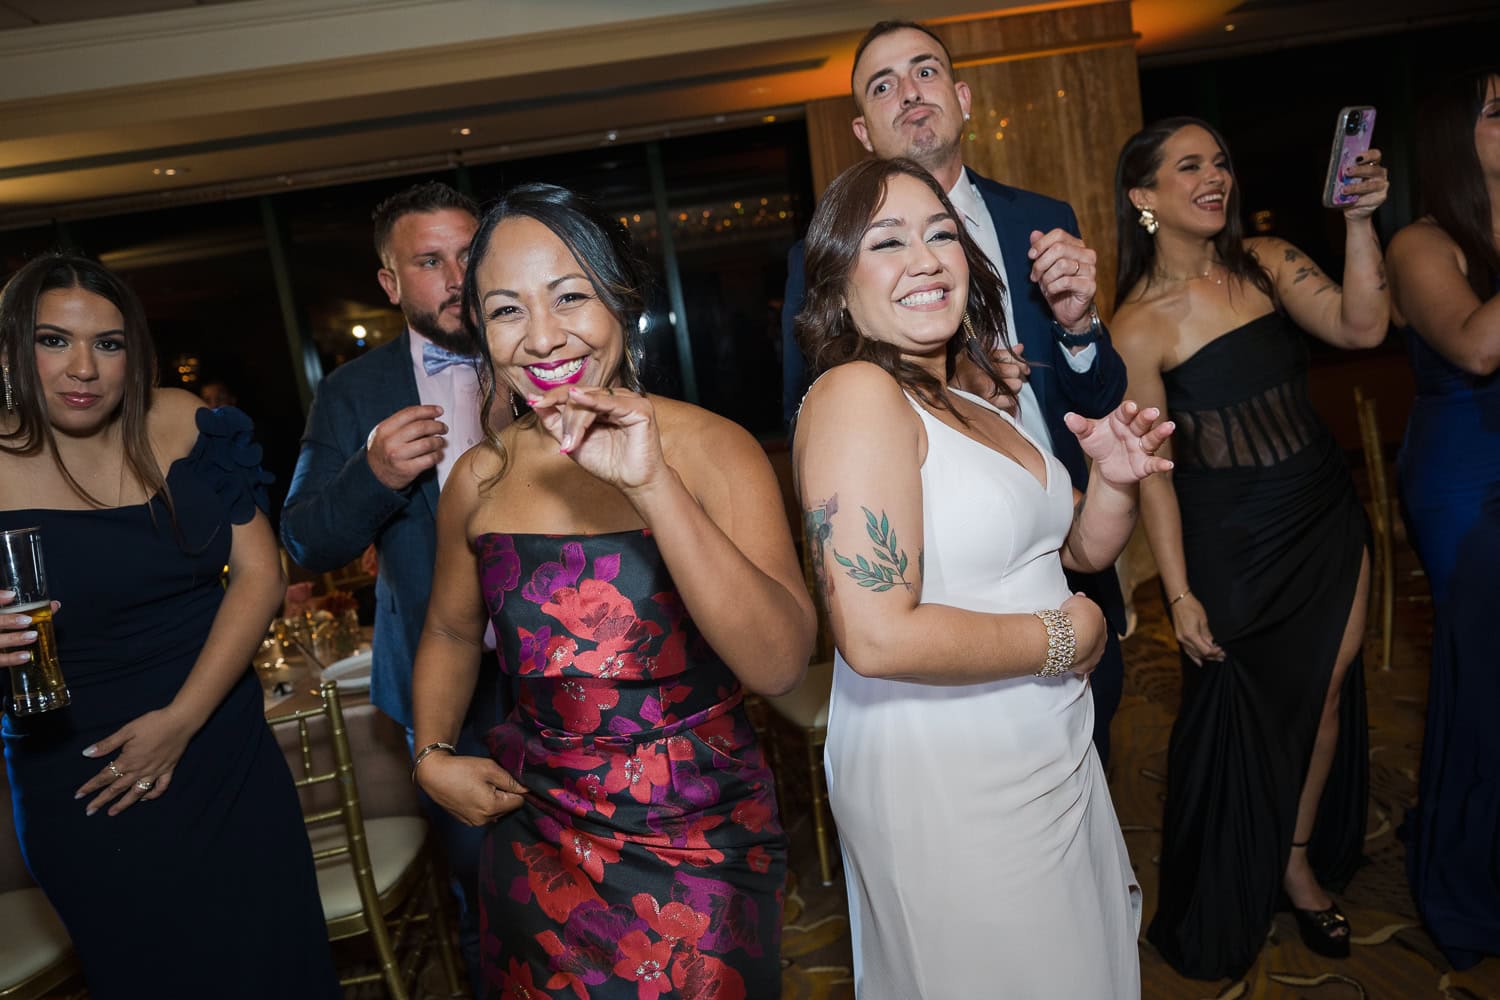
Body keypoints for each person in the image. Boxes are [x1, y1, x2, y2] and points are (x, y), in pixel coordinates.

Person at [408, 183, 816, 996]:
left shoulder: (714, 450)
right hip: (540, 840)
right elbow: (453, 633)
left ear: (620, 302)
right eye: (506, 311)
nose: (543, 337)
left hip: (703, 841)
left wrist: (653, 485)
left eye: (569, 297)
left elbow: (780, 665)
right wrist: (430, 753)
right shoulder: (479, 478)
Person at [794, 156, 1165, 998]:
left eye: (941, 234)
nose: (925, 258)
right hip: (951, 774)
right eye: (886, 241)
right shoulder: (857, 394)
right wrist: (1067, 636)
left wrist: (1113, 476)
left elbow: (1075, 551)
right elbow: (876, 634)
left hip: (1048, 745)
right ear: (837, 281)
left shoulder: (968, 397)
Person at [782, 19, 1132, 765]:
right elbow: (817, 424)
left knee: (1091, 759)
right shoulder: (838, 312)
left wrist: (1077, 326)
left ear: (963, 97)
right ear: (862, 128)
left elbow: (1098, 401)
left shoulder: (1042, 222)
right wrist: (926, 402)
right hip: (935, 593)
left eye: (925, 71)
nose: (909, 92)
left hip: (1057, 546)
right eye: (883, 84)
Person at [0, 254, 337, 997]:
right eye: (52, 340)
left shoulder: (181, 421)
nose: (83, 367)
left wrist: (183, 720)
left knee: (280, 967)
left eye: (109, 344)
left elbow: (260, 574)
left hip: (223, 750)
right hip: (85, 779)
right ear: (8, 350)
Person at [1110, 117, 1389, 978]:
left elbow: (1361, 328)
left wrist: (1354, 221)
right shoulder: (1136, 327)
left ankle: (1296, 859)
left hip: (1321, 513)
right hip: (1229, 539)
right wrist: (1179, 593)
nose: (1214, 176)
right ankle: (1233, 868)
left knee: (1329, 691)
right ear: (1144, 197)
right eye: (1187, 165)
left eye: (1221, 160)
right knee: (1238, 710)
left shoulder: (1264, 263)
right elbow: (1153, 473)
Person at [280, 179, 505, 991]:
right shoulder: (352, 392)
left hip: (568, 673)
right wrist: (371, 473)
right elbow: (303, 538)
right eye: (430, 261)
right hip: (444, 694)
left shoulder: (542, 350)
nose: (456, 277)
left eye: (469, 255)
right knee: (486, 897)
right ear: (391, 283)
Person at [1386, 67, 1500, 970]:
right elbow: (1476, 343)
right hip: (1468, 480)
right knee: (1485, 685)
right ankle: (1471, 886)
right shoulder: (1422, 242)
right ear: (1455, 139)